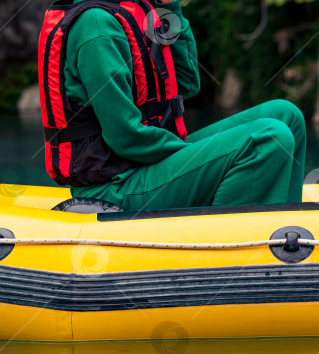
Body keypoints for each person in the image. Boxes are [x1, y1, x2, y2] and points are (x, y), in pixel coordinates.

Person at [39, 0, 306, 211]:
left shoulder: (136, 10)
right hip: (113, 186)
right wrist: (197, 156)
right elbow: (125, 136)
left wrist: (169, 6)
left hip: (142, 166)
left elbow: (188, 82)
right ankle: (233, 249)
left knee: (287, 117)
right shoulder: (96, 26)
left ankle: (288, 233)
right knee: (267, 138)